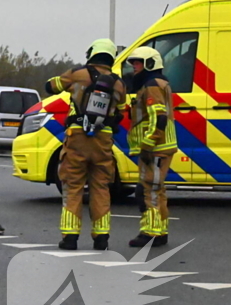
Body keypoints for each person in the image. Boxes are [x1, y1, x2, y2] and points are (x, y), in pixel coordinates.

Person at [45, 39, 128, 250]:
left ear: (92, 53)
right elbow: (123, 106)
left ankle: (70, 237)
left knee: (73, 185)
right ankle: (101, 238)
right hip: (103, 139)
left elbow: (51, 86)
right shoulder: (118, 83)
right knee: (101, 187)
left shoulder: (77, 74)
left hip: (78, 137)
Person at [125, 47, 177, 248]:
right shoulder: (157, 83)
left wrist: (148, 144)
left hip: (156, 147)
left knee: (149, 189)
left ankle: (151, 233)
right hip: (161, 145)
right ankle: (160, 231)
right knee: (157, 189)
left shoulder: (152, 85)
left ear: (149, 64)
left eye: (138, 63)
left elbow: (158, 117)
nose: (134, 68)